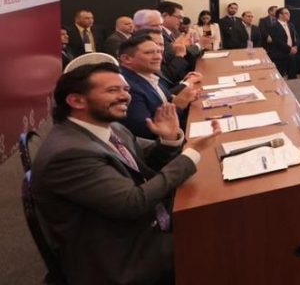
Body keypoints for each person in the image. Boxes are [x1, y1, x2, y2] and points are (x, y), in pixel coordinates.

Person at [30, 63, 215, 285]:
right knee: (222, 240)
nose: (124, 97)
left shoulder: (112, 127)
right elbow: (133, 203)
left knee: (217, 216)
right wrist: (189, 155)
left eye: (126, 90)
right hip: (117, 254)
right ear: (76, 100)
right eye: (112, 91)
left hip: (136, 225)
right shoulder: (69, 153)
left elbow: (143, 165)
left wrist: (168, 140)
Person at [118, 34, 201, 139]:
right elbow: (147, 131)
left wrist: (185, 97)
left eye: (158, 52)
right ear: (126, 59)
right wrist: (178, 106)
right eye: (149, 53)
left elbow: (166, 100)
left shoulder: (149, 74)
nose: (158, 57)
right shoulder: (126, 87)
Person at [266, 7, 299, 79]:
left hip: (291, 53)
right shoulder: (273, 26)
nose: (289, 15)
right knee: (279, 76)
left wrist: (296, 46)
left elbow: (296, 37)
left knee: (293, 75)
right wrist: (289, 49)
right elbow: (277, 41)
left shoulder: (291, 25)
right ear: (280, 15)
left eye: (289, 13)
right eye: (286, 13)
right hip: (280, 54)